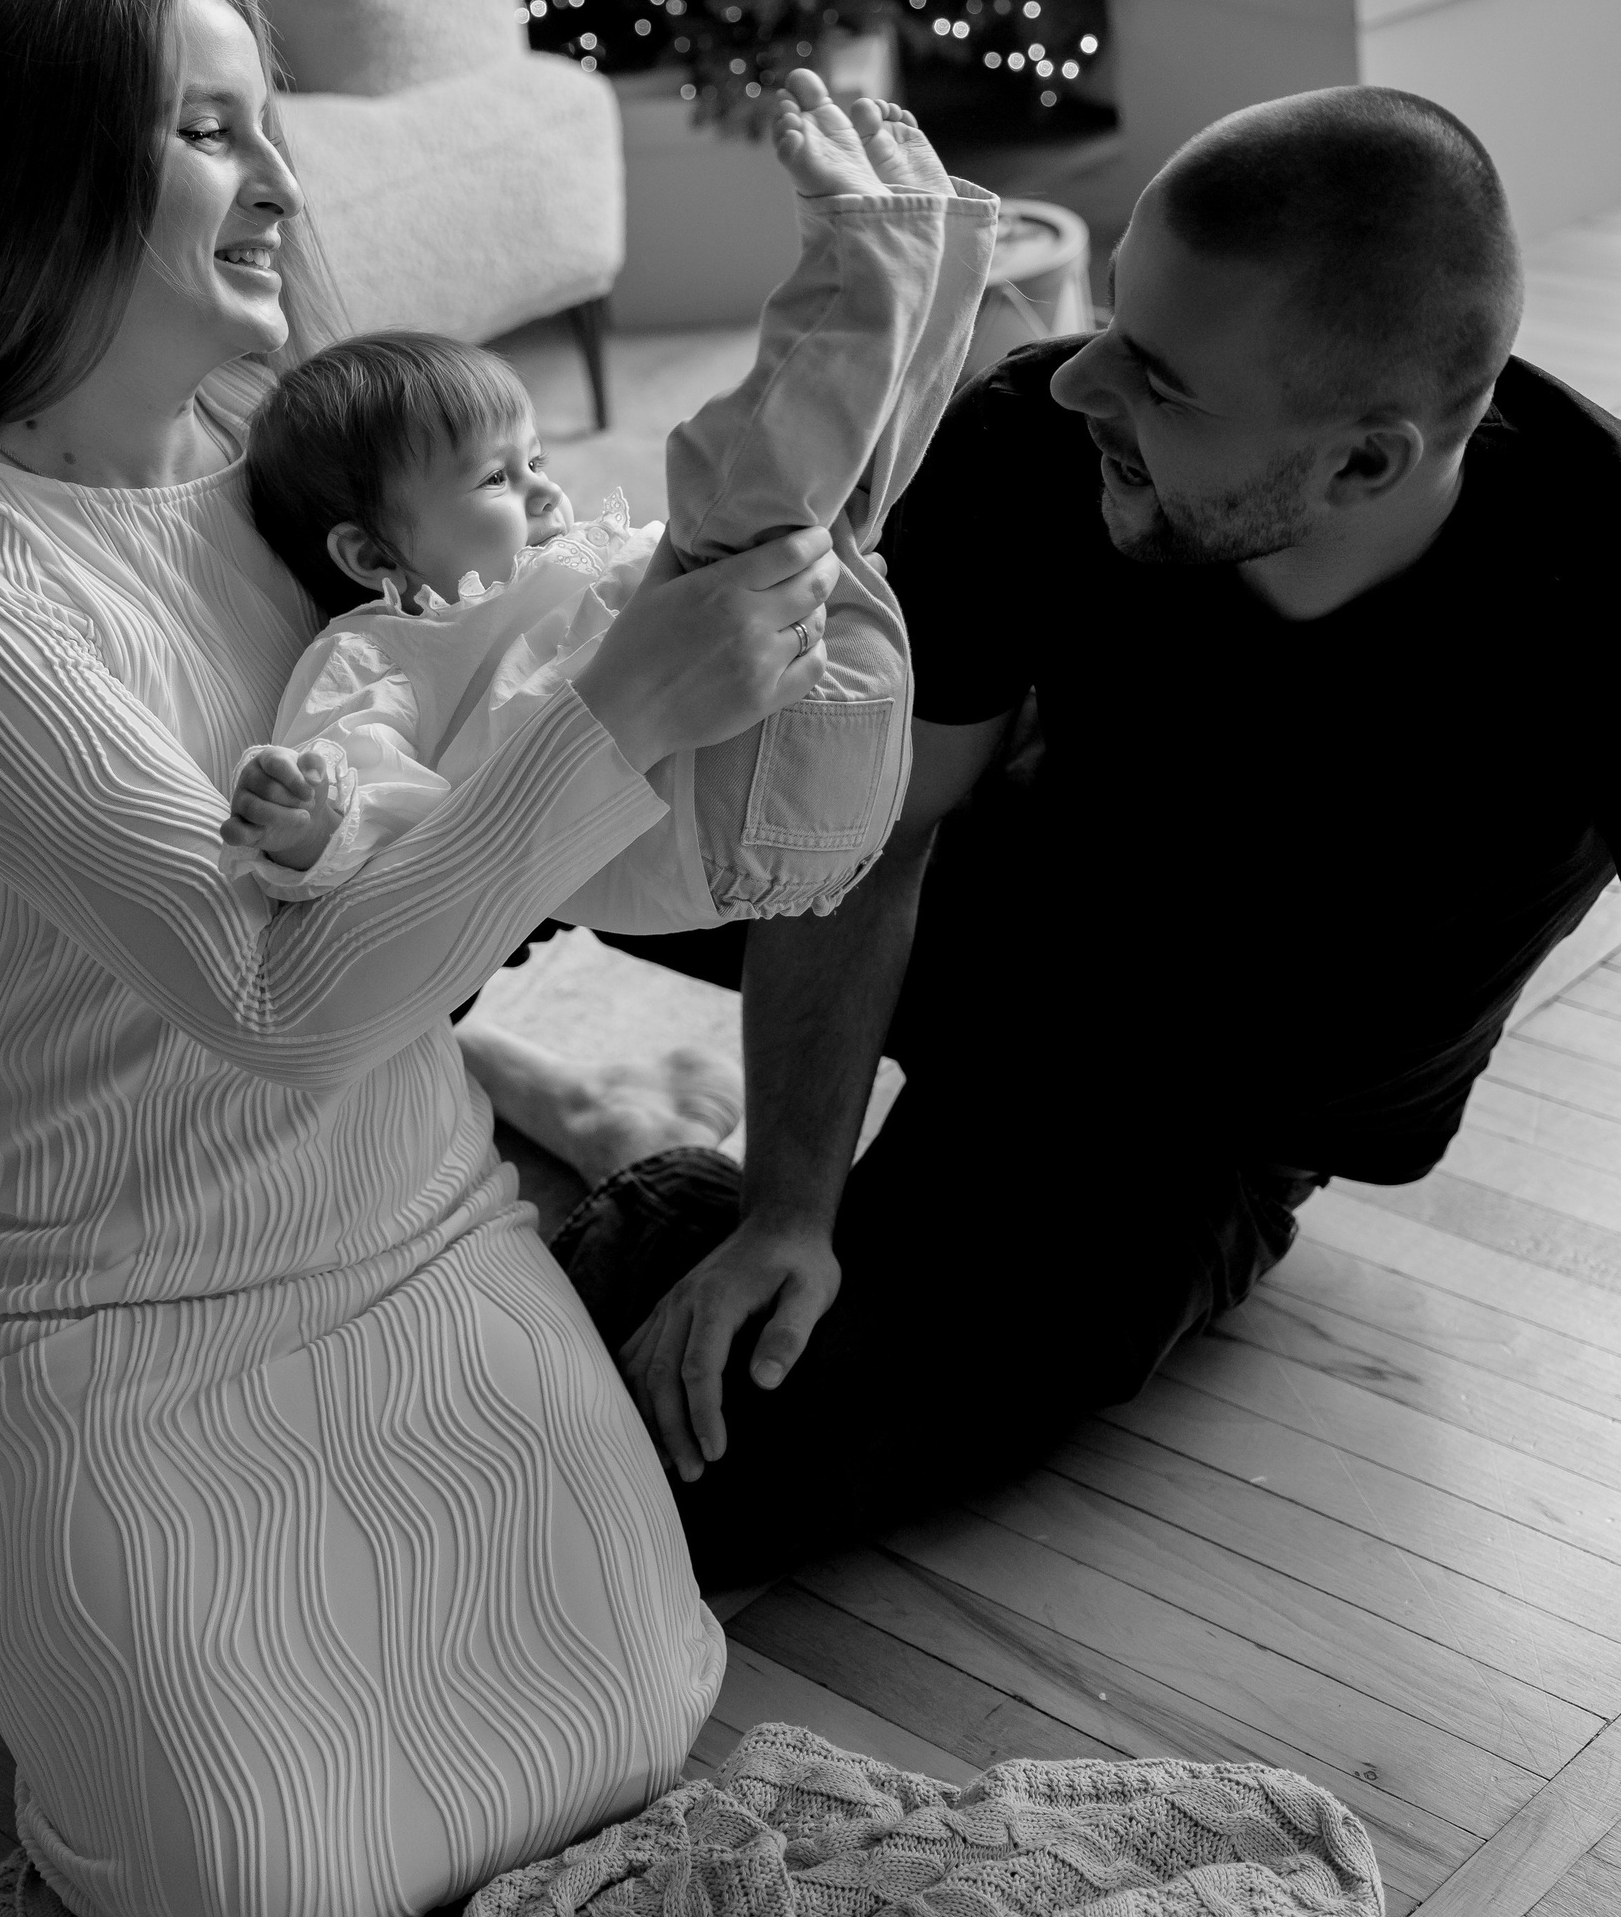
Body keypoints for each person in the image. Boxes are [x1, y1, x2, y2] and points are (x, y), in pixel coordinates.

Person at [0, 0, 842, 1917]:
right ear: (38, 178)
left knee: (649, 1719)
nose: (283, 183)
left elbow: (500, 782)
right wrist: (614, 714)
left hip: (412, 1230)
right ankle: (22, 1576)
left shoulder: (294, 476)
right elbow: (276, 1000)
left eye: (267, 125)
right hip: (114, 1314)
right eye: (211, 131)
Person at [545, 85, 1621, 1588]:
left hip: (1196, 1104)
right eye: (1117, 312)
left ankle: (638, 1181)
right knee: (527, 778)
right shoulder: (1034, 444)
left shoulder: (1598, 602)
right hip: (996, 896)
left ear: (1364, 463)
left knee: (716, 1467)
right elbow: (874, 839)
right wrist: (790, 1210)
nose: (1077, 380)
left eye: (1159, 379)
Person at [219, 73, 995, 934]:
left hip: (827, 756)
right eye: (495, 479)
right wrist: (311, 820)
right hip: (693, 812)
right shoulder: (378, 647)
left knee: (838, 508)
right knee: (729, 497)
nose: (545, 488)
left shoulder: (557, 563)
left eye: (534, 460)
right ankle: (870, 261)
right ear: (371, 556)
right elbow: (365, 783)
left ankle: (935, 252)